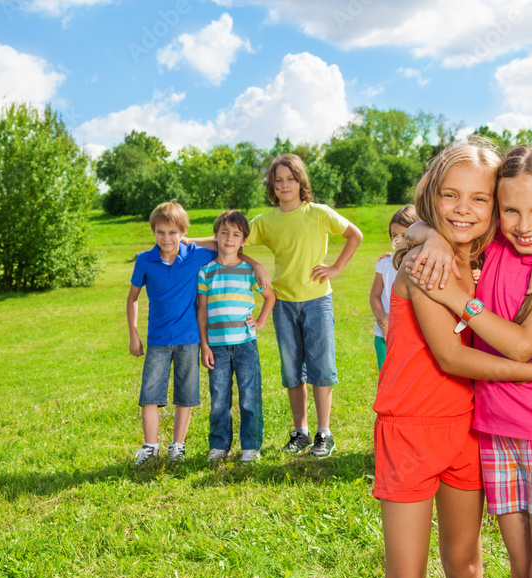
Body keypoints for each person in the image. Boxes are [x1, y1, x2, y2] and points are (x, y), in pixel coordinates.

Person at [371, 139, 532, 578]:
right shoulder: (422, 260)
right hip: (410, 428)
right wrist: (527, 370)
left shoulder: (488, 256)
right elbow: (451, 357)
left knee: (465, 569)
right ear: (432, 195)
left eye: (480, 200)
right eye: (451, 196)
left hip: (468, 429)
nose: (465, 209)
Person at [126, 201, 268, 467]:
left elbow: (227, 246)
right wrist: (134, 333)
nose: (166, 238)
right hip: (158, 339)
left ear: (182, 233)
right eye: (160, 232)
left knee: (187, 395)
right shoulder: (145, 260)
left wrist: (255, 264)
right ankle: (151, 447)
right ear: (153, 231)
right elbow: (132, 298)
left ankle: (177, 447)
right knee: (150, 395)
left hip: (191, 339)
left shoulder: (195, 254)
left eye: (173, 233)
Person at [249, 153, 363, 458]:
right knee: (291, 370)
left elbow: (355, 234)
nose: (285, 185)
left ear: (301, 181)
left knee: (321, 368)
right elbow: (230, 239)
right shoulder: (265, 222)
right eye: (279, 180)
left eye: (291, 178)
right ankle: (299, 432)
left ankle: (323, 432)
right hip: (283, 303)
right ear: (272, 186)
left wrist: (336, 268)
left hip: (317, 301)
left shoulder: (319, 213)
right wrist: (186, 241)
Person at [196, 210, 276, 466]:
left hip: (245, 344)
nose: (229, 238)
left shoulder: (250, 272)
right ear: (216, 236)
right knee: (219, 399)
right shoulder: (206, 272)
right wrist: (204, 345)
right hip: (216, 346)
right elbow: (201, 312)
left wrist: (261, 321)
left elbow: (270, 297)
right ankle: (219, 446)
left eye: (236, 234)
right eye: (224, 233)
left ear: (243, 241)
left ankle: (251, 447)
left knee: (249, 397)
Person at [369, 205, 417, 370]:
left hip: (412, 337)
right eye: (394, 235)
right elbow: (375, 295)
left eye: (404, 235)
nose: (398, 240)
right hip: (384, 335)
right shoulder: (384, 264)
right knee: (387, 379)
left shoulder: (421, 264)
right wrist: (382, 318)